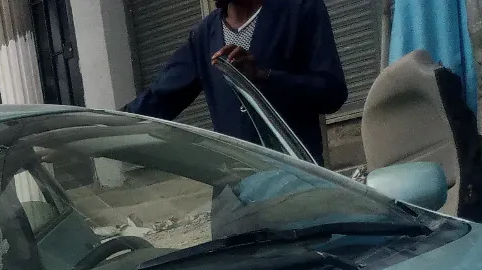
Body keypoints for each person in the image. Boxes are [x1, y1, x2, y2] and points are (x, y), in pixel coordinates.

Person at [125, 0, 348, 164]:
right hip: (236, 191)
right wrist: (104, 122)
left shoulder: (302, 11)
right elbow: (161, 97)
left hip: (298, 180)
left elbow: (332, 92)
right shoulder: (204, 35)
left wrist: (263, 77)